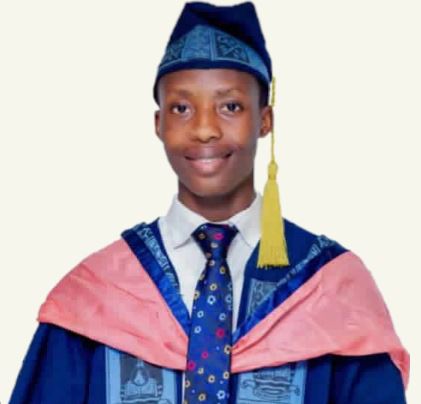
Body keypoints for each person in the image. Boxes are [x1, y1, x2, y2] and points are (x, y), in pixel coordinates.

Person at [10, 2, 409, 403]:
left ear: (265, 120)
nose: (204, 129)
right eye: (181, 108)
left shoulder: (333, 291)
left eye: (230, 107)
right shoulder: (95, 296)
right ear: (158, 124)